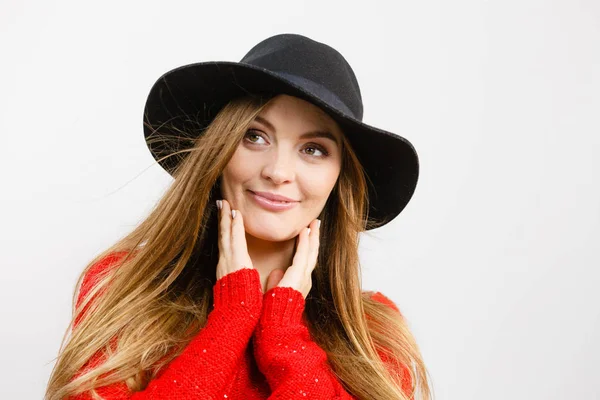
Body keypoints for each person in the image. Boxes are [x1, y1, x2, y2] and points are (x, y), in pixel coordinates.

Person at [45, 33, 432, 400]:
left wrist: (283, 336)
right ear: (219, 151)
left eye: (313, 149)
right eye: (254, 136)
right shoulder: (124, 286)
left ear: (339, 180)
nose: (279, 172)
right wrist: (231, 319)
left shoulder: (375, 335)